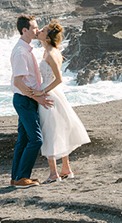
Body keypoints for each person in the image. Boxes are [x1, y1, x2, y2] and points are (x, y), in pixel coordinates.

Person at [35, 21, 90, 182]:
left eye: (43, 30)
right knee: (59, 129)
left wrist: (42, 92)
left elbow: (59, 79)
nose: (39, 31)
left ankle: (54, 174)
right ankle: (66, 169)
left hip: (49, 94)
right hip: (54, 93)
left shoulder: (51, 53)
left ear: (49, 37)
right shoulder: (49, 50)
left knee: (50, 131)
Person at [9, 14, 52, 187]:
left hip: (25, 99)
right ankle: (22, 177)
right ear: (25, 30)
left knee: (23, 140)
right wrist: (38, 98)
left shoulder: (25, 48)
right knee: (36, 140)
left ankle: (16, 177)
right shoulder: (21, 52)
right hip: (24, 99)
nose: (37, 30)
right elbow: (18, 82)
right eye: (34, 27)